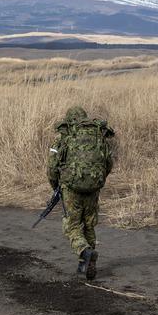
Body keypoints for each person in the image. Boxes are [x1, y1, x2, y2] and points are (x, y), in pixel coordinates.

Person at [47, 106, 114, 280]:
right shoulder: (98, 136)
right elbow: (108, 163)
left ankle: (84, 252)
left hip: (71, 189)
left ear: (69, 121)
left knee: (72, 226)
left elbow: (52, 168)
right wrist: (97, 181)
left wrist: (56, 186)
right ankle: (86, 264)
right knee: (89, 224)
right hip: (93, 188)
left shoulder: (63, 139)